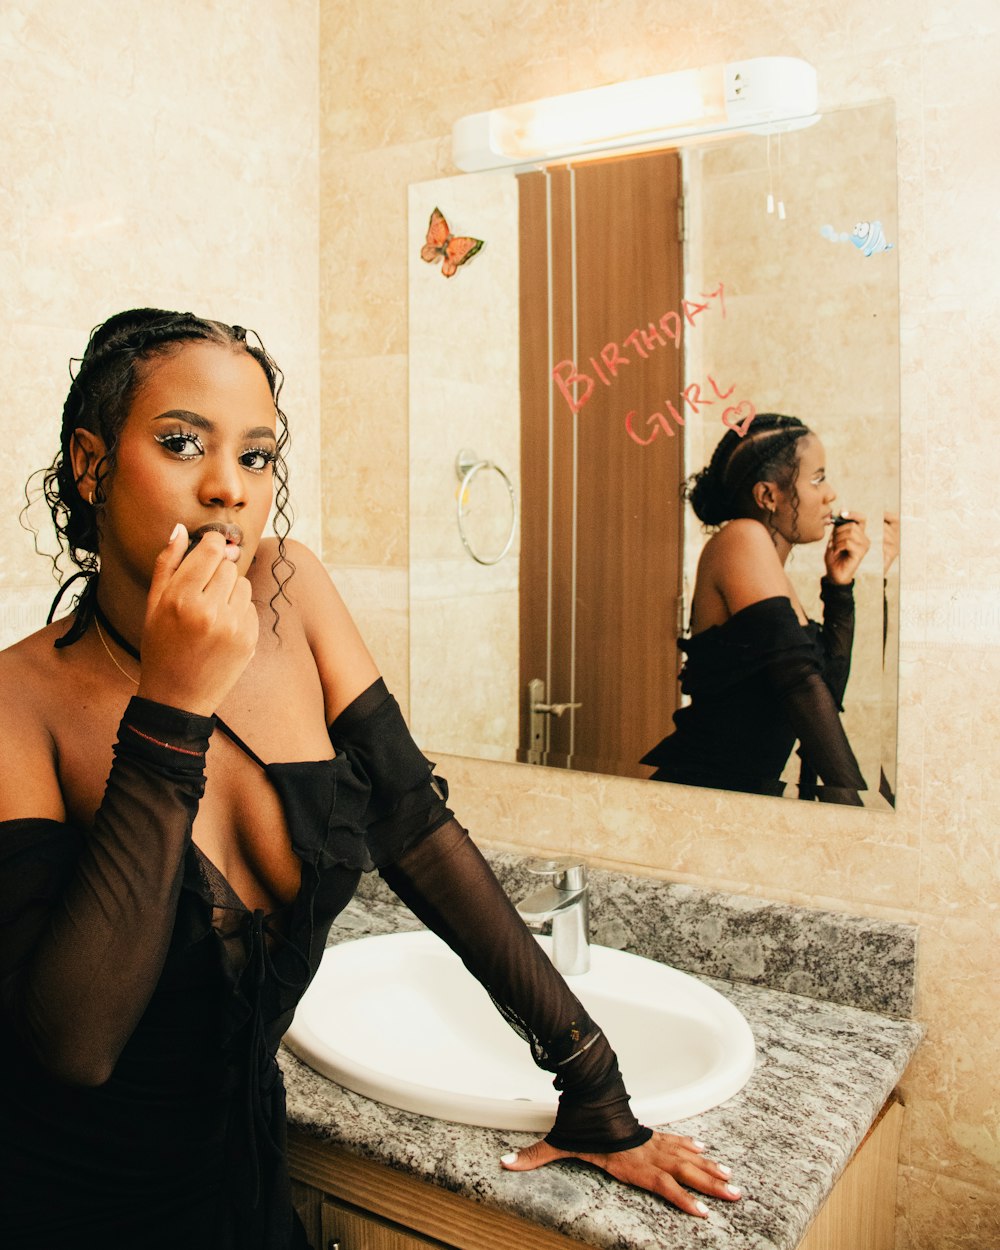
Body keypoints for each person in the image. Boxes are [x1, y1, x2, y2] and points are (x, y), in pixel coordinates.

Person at [0, 309, 741, 1249]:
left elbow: (415, 830)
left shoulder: (292, 589)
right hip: (72, 1201)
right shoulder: (15, 703)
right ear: (92, 463)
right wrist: (173, 706)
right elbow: (74, 1047)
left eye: (258, 455)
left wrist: (591, 1079)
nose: (228, 487)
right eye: (183, 443)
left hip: (247, 1179)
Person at [641, 414, 870, 803]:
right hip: (699, 801)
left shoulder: (769, 571)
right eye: (817, 478)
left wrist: (839, 587)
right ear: (768, 496)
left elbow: (824, 690)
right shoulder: (740, 537)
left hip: (734, 805)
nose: (830, 493)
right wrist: (856, 816)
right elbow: (800, 683)